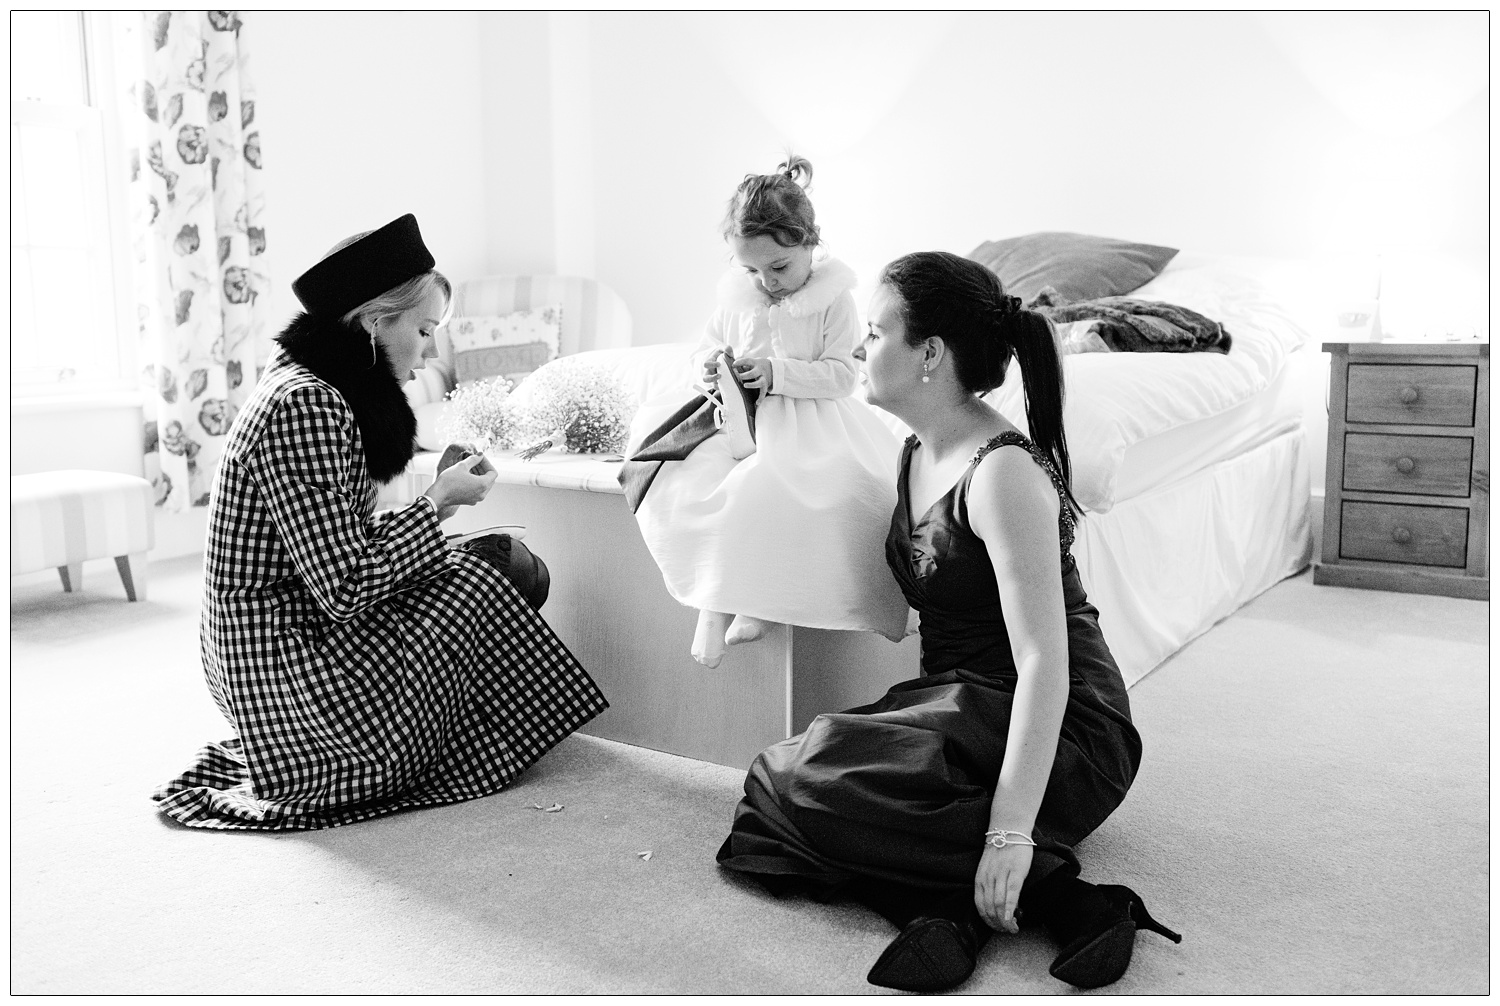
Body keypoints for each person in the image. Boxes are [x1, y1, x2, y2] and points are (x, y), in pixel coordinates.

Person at [715, 251, 1180, 992]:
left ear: (929, 353)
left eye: (874, 333)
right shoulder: (911, 452)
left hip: (1064, 724)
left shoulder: (1002, 474)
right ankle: (1024, 901)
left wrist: (1009, 832)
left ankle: (1031, 888)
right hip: (961, 707)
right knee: (769, 802)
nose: (861, 349)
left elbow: (1044, 665)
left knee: (810, 787)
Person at [152, 213, 607, 830]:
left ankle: (438, 724)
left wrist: (435, 508)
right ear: (374, 324)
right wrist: (437, 503)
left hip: (293, 640)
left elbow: (332, 544)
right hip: (291, 668)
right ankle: (389, 744)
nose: (432, 350)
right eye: (423, 329)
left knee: (496, 561)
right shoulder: (308, 404)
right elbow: (343, 587)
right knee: (497, 570)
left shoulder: (316, 387)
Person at [625, 156, 908, 668]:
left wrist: (779, 374)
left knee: (776, 484)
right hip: (736, 417)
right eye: (751, 270)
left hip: (807, 419)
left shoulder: (834, 299)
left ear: (809, 243)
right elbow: (704, 347)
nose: (767, 282)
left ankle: (761, 602)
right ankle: (712, 604)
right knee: (694, 478)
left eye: (778, 267)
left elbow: (844, 375)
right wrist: (709, 366)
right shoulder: (736, 297)